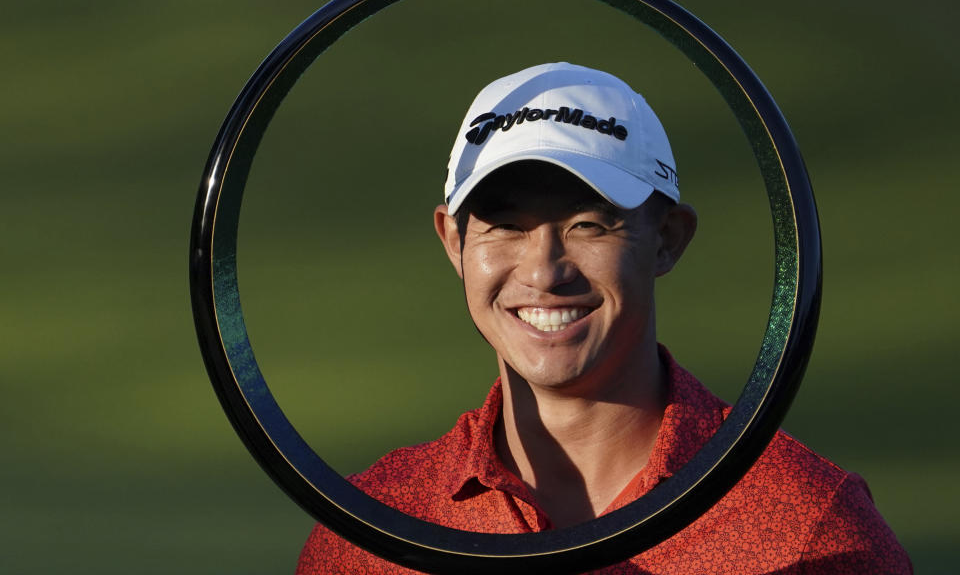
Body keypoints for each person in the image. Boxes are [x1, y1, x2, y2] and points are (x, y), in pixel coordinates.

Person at [296, 62, 911, 573]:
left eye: (589, 224)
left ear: (668, 237)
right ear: (454, 243)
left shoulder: (811, 527)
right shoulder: (370, 531)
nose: (544, 270)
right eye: (505, 226)